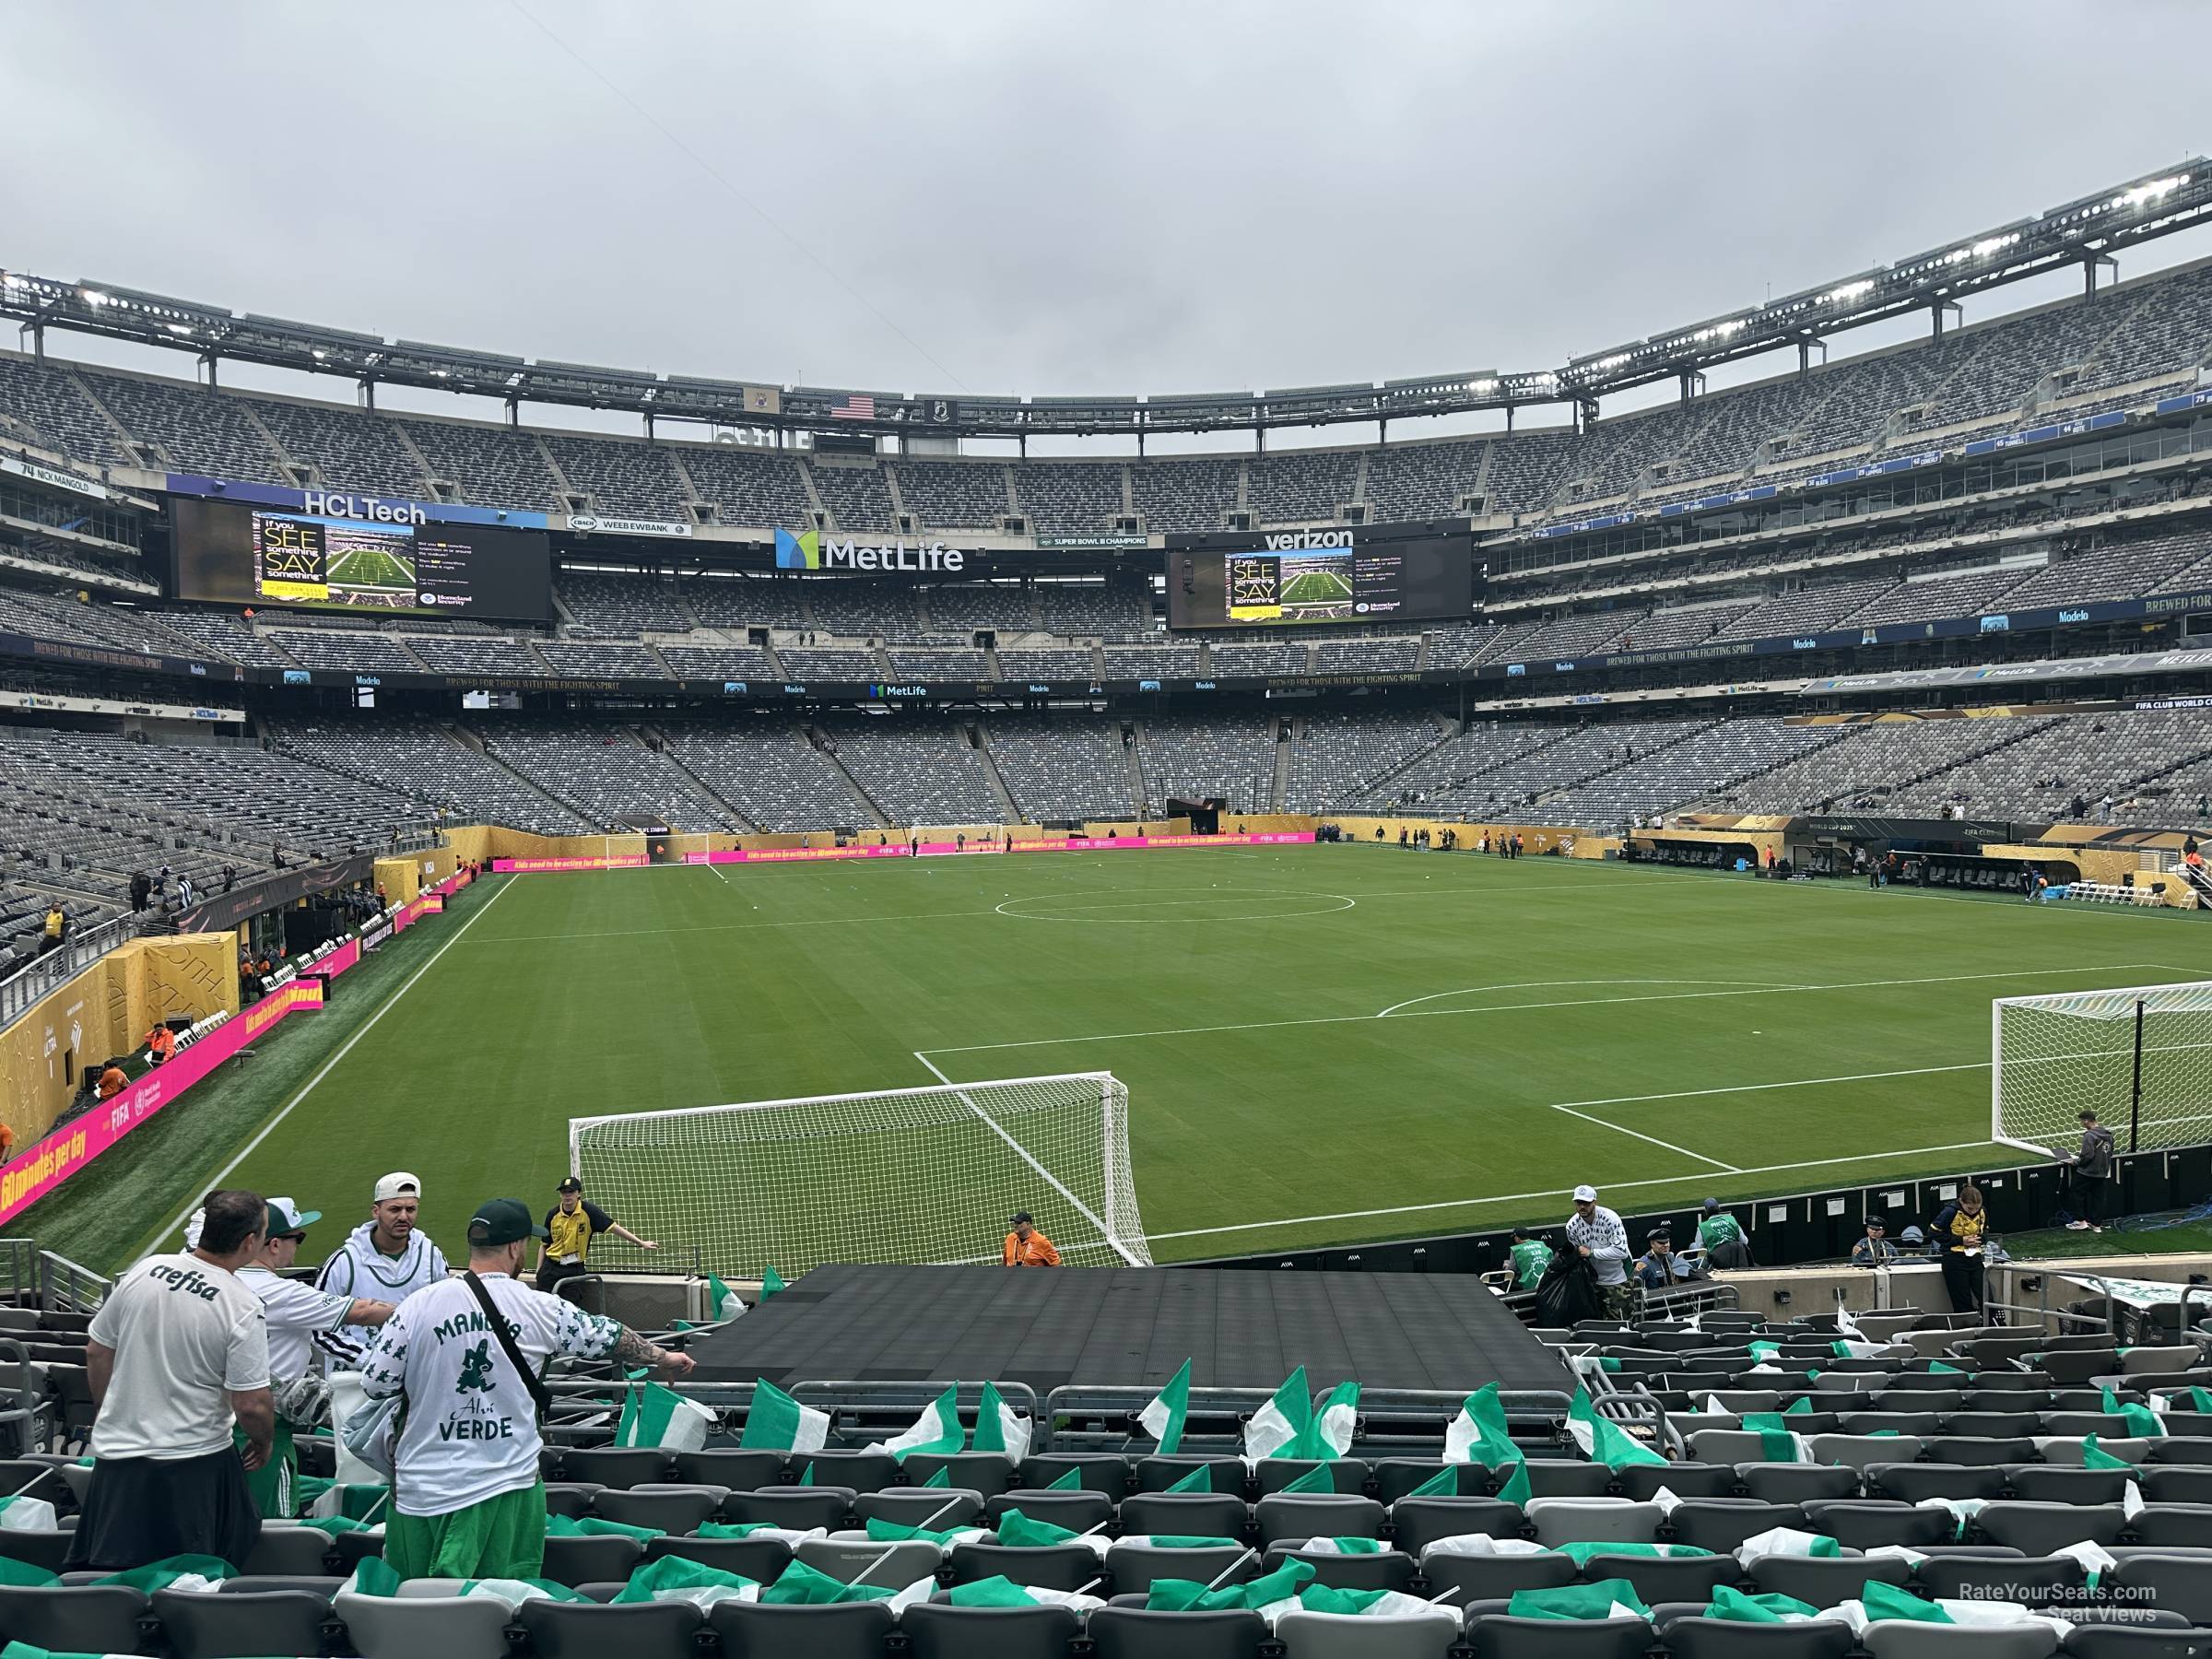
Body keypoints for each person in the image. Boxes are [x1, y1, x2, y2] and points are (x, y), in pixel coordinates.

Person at [359, 1197, 693, 1582]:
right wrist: (662, 1358)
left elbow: (375, 1382)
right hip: (505, 1486)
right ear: (516, 1247)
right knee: (494, 1608)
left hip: (420, 1491)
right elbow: (610, 1337)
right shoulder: (543, 1307)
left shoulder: (416, 1306)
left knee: (414, 1611)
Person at [68, 1190, 273, 1571]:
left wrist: (107, 1411)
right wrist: (263, 1442)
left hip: (118, 1463)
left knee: (115, 1582)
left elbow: (97, 1350)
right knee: (188, 1585)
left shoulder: (146, 1269)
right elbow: (250, 1403)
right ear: (250, 1242)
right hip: (193, 1466)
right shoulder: (242, 1305)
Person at [229, 1197, 396, 1518]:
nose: (298, 1247)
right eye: (297, 1238)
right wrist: (421, 1312)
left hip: (224, 1417)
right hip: (265, 1423)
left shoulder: (227, 1281)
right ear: (274, 1244)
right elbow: (361, 1312)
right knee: (269, 1521)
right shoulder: (281, 1292)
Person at [313, 1172, 451, 1370]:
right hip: (354, 1381)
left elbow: (443, 1314)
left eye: (410, 1209)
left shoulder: (431, 1256)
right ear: (376, 1211)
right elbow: (319, 1327)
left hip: (414, 1374)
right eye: (395, 1209)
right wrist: (369, 1361)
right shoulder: (345, 1262)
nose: (404, 1216)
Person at [536, 1177, 658, 1296]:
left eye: (571, 1191)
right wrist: (539, 1271)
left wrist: (641, 1243)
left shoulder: (589, 1212)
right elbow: (544, 1245)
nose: (567, 1195)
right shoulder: (553, 1215)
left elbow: (614, 1228)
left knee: (570, 1309)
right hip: (550, 1268)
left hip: (574, 1269)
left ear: (579, 1193)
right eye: (564, 1192)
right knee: (542, 1308)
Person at [1565, 1184, 1633, 1321]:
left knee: (1621, 1323)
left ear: (1594, 1202)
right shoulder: (1572, 1226)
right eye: (1579, 1203)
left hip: (1618, 1279)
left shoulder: (1610, 1219)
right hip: (1593, 1282)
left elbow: (1621, 1251)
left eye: (1586, 1203)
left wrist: (1591, 1253)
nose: (1582, 1207)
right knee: (1597, 1323)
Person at [1930, 1184, 1992, 1316]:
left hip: (1975, 1258)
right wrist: (1961, 1240)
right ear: (1961, 1202)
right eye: (1969, 1208)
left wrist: (1980, 1239)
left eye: (1977, 1208)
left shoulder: (1983, 1211)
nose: (1973, 1211)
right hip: (1954, 1259)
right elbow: (1933, 1233)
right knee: (1962, 1302)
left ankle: (1992, 1325)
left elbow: (1985, 1230)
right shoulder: (1950, 1212)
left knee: (1987, 1297)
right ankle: (1968, 1330)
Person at [2063, 1109, 2116, 1232]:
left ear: (2087, 1121)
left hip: (2087, 1172)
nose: (2082, 1124)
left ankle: (2080, 1221)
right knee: (2099, 1198)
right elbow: (2110, 1152)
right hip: (2102, 1172)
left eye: (2082, 1122)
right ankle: (2096, 1225)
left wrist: (2075, 1162)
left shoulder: (2089, 1135)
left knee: (2076, 1193)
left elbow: (2088, 1156)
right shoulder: (2108, 1135)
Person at [1634, 1229, 1703, 1290]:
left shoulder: (1671, 1256)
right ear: (1652, 1244)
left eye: (1667, 1242)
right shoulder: (1643, 1263)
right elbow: (1635, 1286)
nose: (1666, 1245)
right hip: (1655, 1301)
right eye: (1661, 1243)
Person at [1695, 1199, 1754, 1269]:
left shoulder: (1702, 1227)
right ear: (1719, 1208)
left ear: (1706, 1211)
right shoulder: (1731, 1220)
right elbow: (1745, 1241)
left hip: (1717, 1262)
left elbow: (1701, 1250)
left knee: (1692, 1247)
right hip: (1737, 1258)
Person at [1507, 1226, 1553, 1291]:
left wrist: (1506, 1265)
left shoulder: (1516, 1250)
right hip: (1548, 1283)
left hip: (1529, 1287)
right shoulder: (1542, 1244)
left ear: (1517, 1238)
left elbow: (1511, 1271)